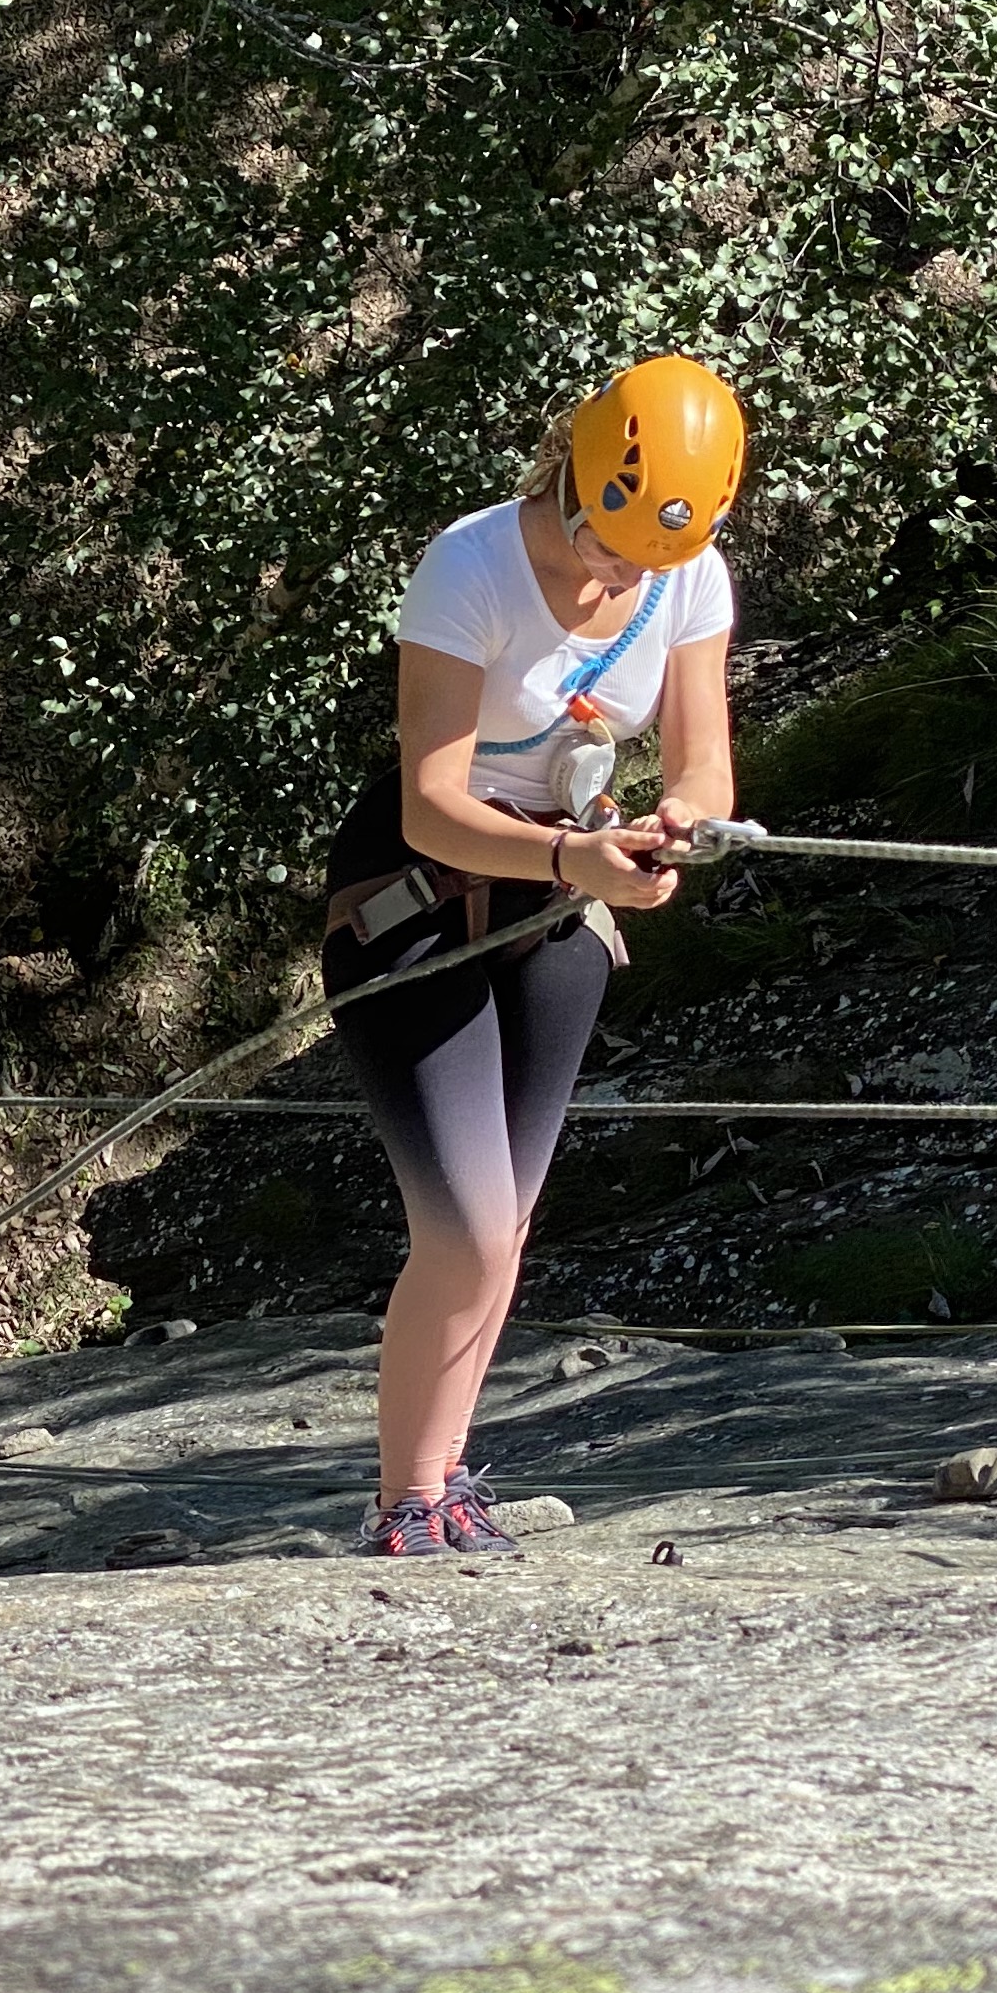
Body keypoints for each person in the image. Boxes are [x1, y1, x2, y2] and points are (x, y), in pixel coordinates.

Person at [320, 354, 748, 1558]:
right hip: (417, 901)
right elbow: (429, 802)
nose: (623, 579)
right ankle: (405, 1501)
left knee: (507, 1225)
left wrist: (680, 827)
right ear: (571, 478)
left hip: (563, 895)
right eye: (611, 549)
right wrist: (577, 866)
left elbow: (703, 760)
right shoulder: (470, 567)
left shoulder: (689, 573)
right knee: (460, 1224)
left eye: (647, 563)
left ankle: (448, 1478)